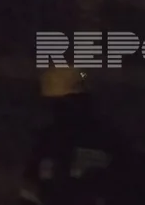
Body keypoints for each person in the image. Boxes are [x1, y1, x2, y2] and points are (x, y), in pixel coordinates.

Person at [18, 68, 129, 205]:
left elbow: (123, 187)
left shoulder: (108, 140)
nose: (61, 110)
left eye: (65, 104)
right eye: (56, 105)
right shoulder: (46, 140)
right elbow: (30, 189)